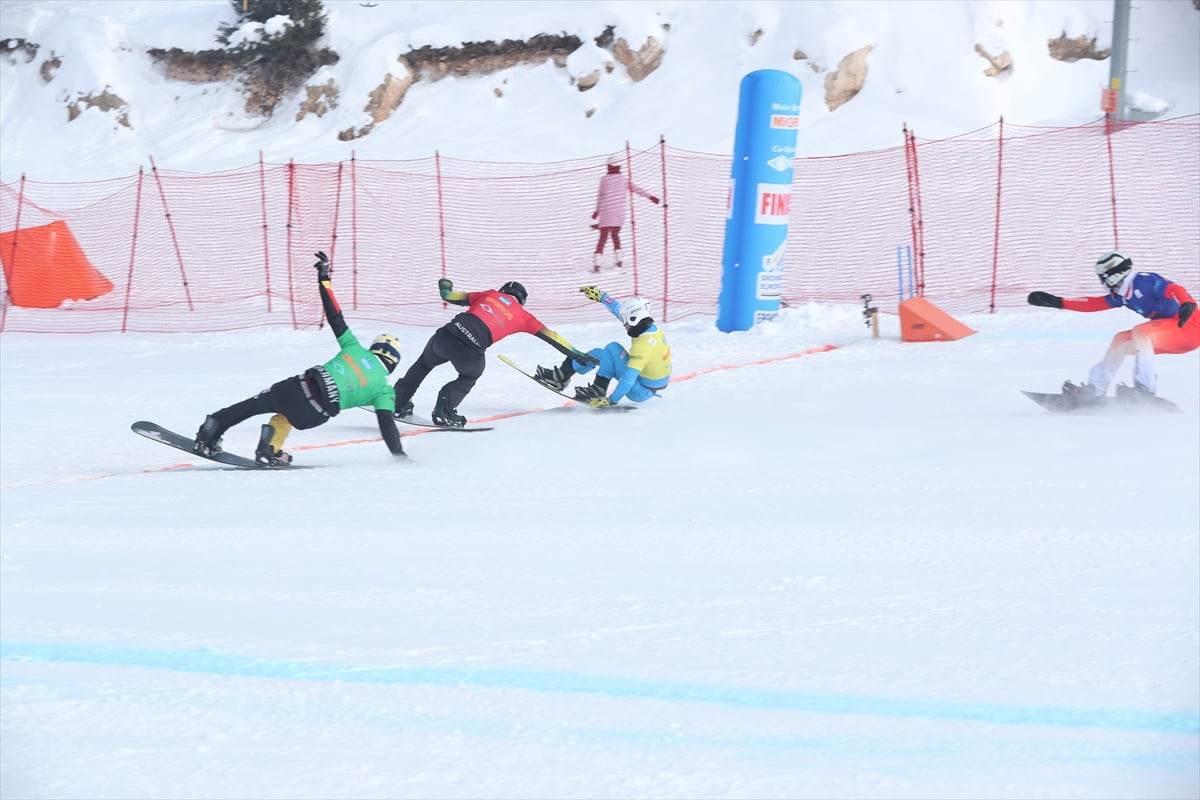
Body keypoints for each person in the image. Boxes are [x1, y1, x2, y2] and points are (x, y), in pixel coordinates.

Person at [193, 251, 407, 465]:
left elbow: (335, 316)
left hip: (294, 386)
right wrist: (400, 456)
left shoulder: (354, 348)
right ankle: (269, 449)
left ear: (373, 349)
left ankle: (212, 428)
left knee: (251, 406)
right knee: (288, 416)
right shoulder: (384, 390)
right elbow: (386, 424)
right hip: (312, 412)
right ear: (393, 364)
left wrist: (324, 278)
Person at [392, 278, 600, 427]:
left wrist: (445, 285)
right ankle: (445, 411)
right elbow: (553, 338)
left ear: (503, 291)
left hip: (445, 336)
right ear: (522, 300)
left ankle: (399, 400)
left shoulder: (489, 294)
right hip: (470, 349)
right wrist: (578, 355)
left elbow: (449, 296)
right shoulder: (524, 316)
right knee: (470, 375)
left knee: (424, 364)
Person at [1027, 250, 1198, 397]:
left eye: (1103, 278)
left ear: (1114, 275)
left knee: (1142, 332)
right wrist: (1059, 302)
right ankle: (1096, 390)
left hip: (1189, 328)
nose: (1102, 282)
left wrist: (1186, 303)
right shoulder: (1122, 294)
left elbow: (1175, 289)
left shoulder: (1142, 281)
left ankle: (1145, 389)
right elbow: (1094, 304)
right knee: (1121, 340)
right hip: (1172, 332)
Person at [534, 285, 672, 407]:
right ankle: (562, 375)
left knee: (612, 348)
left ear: (634, 319)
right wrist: (602, 297)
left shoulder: (643, 346)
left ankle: (598, 390)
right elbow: (620, 311)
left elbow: (629, 378)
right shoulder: (650, 329)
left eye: (625, 321)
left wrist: (612, 400)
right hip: (645, 383)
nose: (623, 324)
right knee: (598, 353)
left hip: (640, 390)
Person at [591, 154, 660, 271]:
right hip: (619, 213)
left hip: (606, 212)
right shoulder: (624, 180)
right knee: (615, 235)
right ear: (619, 166)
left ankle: (597, 264)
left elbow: (600, 197)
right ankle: (619, 261)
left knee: (603, 237)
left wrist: (597, 211)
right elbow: (638, 190)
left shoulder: (604, 180)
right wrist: (651, 197)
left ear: (608, 166)